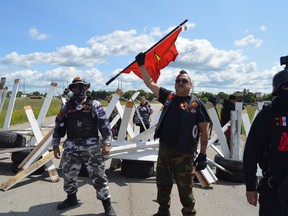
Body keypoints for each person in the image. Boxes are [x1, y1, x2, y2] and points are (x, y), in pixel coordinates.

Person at [135, 52, 210, 216]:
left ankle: (189, 213)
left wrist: (203, 154)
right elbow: (150, 83)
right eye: (178, 81)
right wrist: (141, 64)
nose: (180, 83)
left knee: (185, 187)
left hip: (185, 153)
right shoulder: (168, 97)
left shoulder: (197, 104)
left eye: (184, 81)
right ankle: (163, 211)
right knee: (162, 182)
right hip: (165, 150)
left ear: (191, 84)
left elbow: (204, 131)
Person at [52, 77, 116, 216]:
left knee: (98, 176)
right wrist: (55, 144)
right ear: (72, 89)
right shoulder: (67, 106)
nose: (78, 89)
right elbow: (59, 126)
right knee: (68, 174)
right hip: (71, 147)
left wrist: (107, 143)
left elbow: (105, 125)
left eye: (81, 86)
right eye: (75, 87)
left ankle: (107, 205)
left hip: (91, 147)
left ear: (86, 87)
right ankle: (71, 198)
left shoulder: (94, 104)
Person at [243, 67, 288, 216]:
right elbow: (251, 152)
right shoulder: (267, 115)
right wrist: (250, 186)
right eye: (286, 86)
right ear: (277, 89)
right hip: (273, 184)